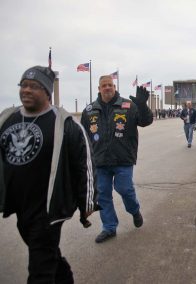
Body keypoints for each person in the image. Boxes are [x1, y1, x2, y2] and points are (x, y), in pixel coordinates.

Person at [0, 66, 97, 283]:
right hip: (20, 205)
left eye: (33, 86)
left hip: (49, 208)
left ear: (47, 91)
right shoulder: (7, 118)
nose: (26, 90)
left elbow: (84, 165)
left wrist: (87, 203)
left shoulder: (65, 125)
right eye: (23, 85)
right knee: (46, 253)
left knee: (39, 269)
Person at [81, 75, 153, 243]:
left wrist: (142, 106)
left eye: (110, 85)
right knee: (103, 195)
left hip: (123, 159)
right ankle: (109, 227)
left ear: (114, 87)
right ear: (99, 89)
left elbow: (145, 121)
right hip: (100, 161)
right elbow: (83, 136)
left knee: (124, 189)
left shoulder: (128, 105)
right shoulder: (89, 110)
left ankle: (135, 211)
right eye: (104, 85)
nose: (107, 88)